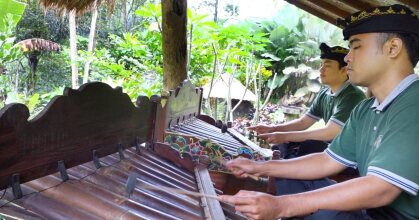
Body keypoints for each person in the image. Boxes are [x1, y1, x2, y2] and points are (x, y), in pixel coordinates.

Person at [219, 4, 419, 220]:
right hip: (371, 211)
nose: (347, 58)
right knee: (289, 179)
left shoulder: (413, 102)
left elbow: (382, 189)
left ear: (393, 48)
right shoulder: (365, 109)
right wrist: (260, 167)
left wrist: (282, 205)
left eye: (356, 47)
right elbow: (327, 161)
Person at [249, 43, 365, 159]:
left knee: (311, 145)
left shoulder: (352, 96)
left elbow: (329, 133)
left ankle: (287, 163)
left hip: (349, 157)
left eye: (327, 66)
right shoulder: (324, 93)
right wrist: (273, 129)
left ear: (344, 70)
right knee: (284, 143)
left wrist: (285, 136)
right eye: (321, 65)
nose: (321, 69)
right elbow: (303, 123)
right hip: (331, 150)